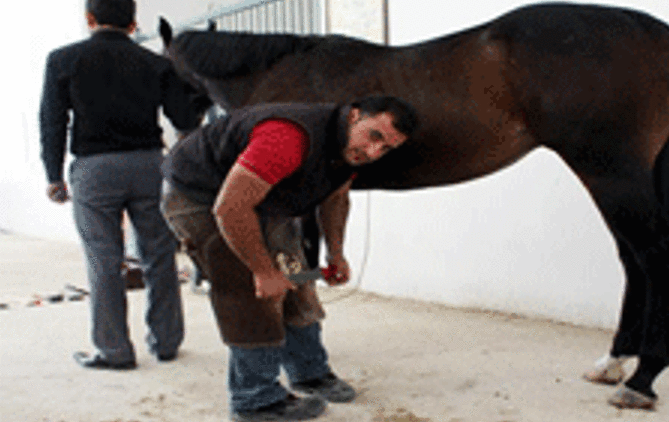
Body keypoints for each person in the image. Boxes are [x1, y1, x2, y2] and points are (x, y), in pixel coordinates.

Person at [160, 96, 418, 421]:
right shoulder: (288, 138)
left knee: (296, 279)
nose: (372, 153)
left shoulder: (349, 151)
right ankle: (255, 401)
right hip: (200, 196)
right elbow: (231, 208)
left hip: (265, 199)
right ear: (354, 116)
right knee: (250, 292)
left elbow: (335, 198)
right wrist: (262, 270)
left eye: (385, 148)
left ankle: (309, 373)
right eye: (374, 136)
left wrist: (335, 253)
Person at [39, 0, 211, 369]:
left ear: (89, 19)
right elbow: (185, 120)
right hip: (150, 164)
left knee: (103, 260)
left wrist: (53, 175)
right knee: (160, 255)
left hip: (94, 170)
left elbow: (52, 123)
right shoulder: (157, 64)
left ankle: (114, 350)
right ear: (133, 24)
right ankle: (165, 343)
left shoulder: (62, 60)